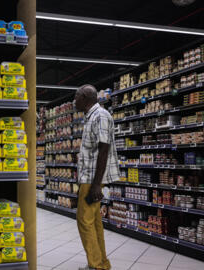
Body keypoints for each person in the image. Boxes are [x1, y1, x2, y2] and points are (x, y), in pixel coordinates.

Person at [75, 84, 120, 270]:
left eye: (76, 96)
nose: (74, 100)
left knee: (84, 222)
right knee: (94, 222)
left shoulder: (100, 116)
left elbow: (104, 150)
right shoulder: (92, 116)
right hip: (90, 178)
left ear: (85, 97)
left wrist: (95, 185)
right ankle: (101, 263)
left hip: (92, 179)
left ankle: (96, 265)